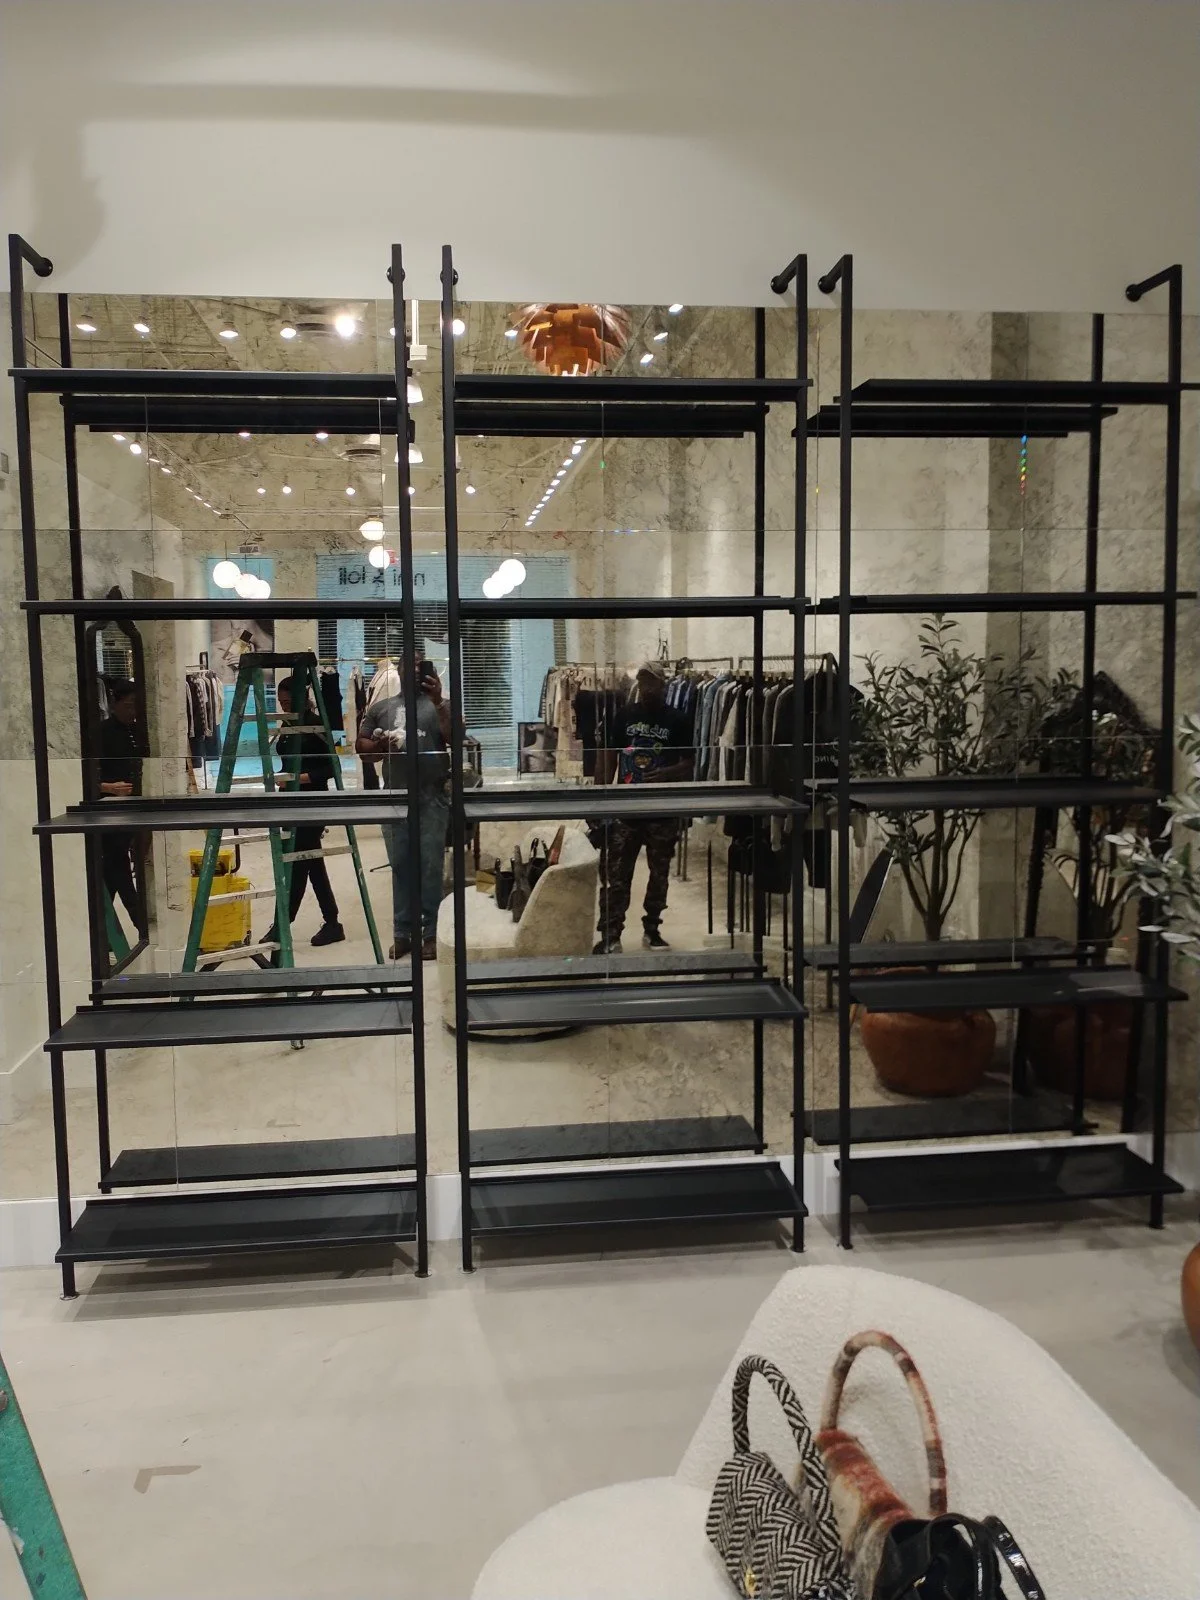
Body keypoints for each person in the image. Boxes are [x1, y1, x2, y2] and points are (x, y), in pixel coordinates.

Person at [594, 660, 694, 954]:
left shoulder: (678, 719)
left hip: (662, 808)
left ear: (663, 685)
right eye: (642, 681)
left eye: (651, 682)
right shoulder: (625, 715)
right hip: (626, 807)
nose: (646, 687)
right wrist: (601, 796)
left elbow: (689, 762)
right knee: (616, 874)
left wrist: (666, 774)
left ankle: (653, 928)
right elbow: (609, 755)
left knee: (659, 872)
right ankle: (610, 934)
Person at [356, 656, 450, 961]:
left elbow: (456, 736)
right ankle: (403, 933)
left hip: (431, 796)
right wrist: (381, 746)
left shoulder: (439, 706)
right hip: (395, 796)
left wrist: (438, 701)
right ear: (397, 670)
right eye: (406, 667)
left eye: (418, 668)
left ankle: (431, 933)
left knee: (430, 867)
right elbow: (362, 748)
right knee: (400, 865)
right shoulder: (381, 708)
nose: (412, 673)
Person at [262, 676, 344, 954]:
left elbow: (331, 769)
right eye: (281, 703)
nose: (285, 708)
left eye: (289, 702)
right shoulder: (287, 724)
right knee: (312, 862)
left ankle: (281, 924)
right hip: (290, 801)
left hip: (313, 802)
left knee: (298, 864)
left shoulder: (316, 726)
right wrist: (284, 779)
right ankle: (332, 922)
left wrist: (298, 778)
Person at [97, 678, 147, 936]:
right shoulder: (101, 732)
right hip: (110, 810)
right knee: (118, 865)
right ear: (115, 703)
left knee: (112, 871)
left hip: (134, 809)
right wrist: (108, 787)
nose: (133, 712)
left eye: (137, 707)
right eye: (128, 706)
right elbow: (83, 775)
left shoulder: (138, 732)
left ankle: (104, 931)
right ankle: (141, 924)